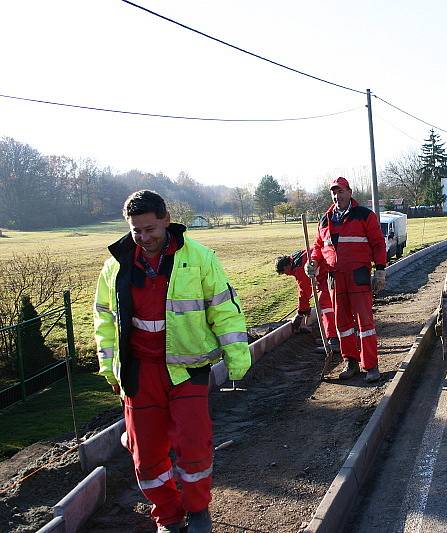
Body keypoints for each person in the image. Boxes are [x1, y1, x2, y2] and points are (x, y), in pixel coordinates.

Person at [93, 190, 251, 533]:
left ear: (166, 219)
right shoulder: (116, 266)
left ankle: (197, 510)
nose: (143, 237)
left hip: (188, 369)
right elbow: (104, 319)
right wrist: (109, 365)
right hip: (139, 372)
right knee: (146, 454)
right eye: (136, 230)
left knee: (193, 445)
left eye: (150, 228)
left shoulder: (199, 258)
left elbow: (224, 309)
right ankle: (168, 515)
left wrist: (238, 354)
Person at [305, 177, 387, 382]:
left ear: (349, 192)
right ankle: (350, 361)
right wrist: (312, 262)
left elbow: (378, 243)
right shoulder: (325, 219)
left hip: (358, 275)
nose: (337, 195)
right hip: (335, 277)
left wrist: (380, 270)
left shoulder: (365, 215)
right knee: (342, 322)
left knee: (364, 322)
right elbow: (318, 247)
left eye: (340, 191)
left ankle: (370, 366)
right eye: (334, 192)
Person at [275, 250, 339, 353]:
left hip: (329, 272)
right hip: (327, 271)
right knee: (327, 303)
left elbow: (304, 291)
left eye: (283, 272)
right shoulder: (296, 258)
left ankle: (334, 340)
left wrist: (300, 314)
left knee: (325, 305)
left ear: (286, 266)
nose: (286, 275)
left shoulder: (299, 268)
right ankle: (332, 337)